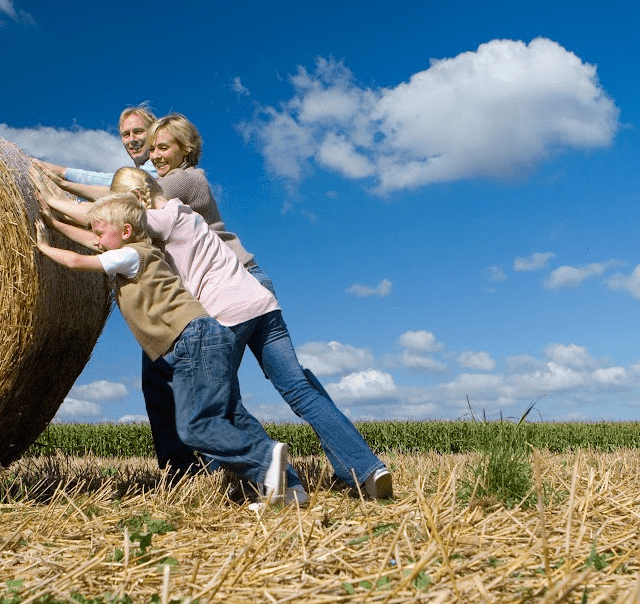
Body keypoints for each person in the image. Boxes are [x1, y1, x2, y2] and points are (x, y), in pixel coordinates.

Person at [50, 114, 394, 500]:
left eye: (163, 147)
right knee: (295, 387)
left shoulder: (176, 190)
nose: (154, 153)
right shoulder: (173, 209)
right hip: (256, 294)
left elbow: (110, 211)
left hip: (223, 302)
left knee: (212, 402)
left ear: (185, 150)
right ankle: (366, 469)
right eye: (152, 147)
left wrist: (53, 191)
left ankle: (263, 480)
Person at [33, 193, 301, 505]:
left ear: (126, 232)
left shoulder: (130, 256)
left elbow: (79, 260)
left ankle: (266, 457)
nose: (95, 238)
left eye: (99, 231)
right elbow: (97, 243)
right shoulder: (141, 251)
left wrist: (43, 246)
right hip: (207, 336)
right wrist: (54, 222)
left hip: (193, 340)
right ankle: (290, 490)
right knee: (230, 415)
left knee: (194, 427)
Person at [34, 105, 159, 192]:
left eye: (138, 131)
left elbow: (117, 182)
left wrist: (63, 173)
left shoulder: (159, 167)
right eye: (126, 135)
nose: (132, 139)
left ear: (153, 134)